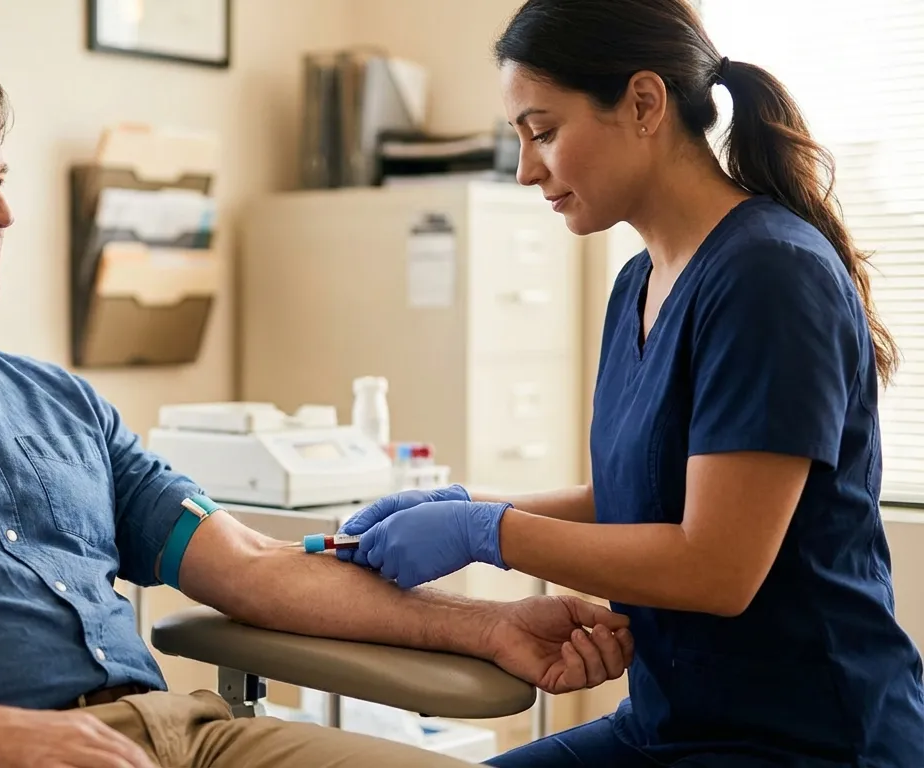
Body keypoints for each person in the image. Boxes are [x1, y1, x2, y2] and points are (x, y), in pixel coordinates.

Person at [0, 49, 634, 768]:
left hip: (185, 736)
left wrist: (484, 624)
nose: (2, 210)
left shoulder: (58, 402)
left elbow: (245, 569)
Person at [336, 1, 924, 766]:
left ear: (644, 103)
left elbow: (717, 566)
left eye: (543, 132)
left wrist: (488, 535)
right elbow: (640, 500)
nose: (525, 170)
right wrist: (465, 503)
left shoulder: (769, 277)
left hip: (807, 739)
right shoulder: (639, 284)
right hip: (668, 723)